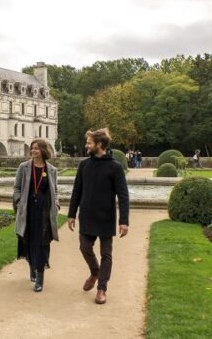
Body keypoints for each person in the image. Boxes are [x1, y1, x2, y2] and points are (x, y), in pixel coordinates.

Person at [67, 128, 130, 304]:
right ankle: (95, 272)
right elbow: (76, 191)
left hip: (106, 216)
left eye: (89, 143)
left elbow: (123, 195)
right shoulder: (84, 165)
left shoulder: (115, 167)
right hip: (86, 215)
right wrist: (72, 214)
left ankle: (102, 288)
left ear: (99, 145)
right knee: (84, 247)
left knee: (106, 254)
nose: (86, 145)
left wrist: (124, 221)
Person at [13, 138, 60, 292]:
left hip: (44, 211)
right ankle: (32, 266)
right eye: (32, 148)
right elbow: (17, 188)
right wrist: (19, 202)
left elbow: (55, 191)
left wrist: (57, 204)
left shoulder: (51, 169)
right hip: (28, 210)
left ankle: (40, 276)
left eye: (36, 148)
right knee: (28, 240)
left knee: (43, 242)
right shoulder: (24, 167)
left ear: (43, 151)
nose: (33, 151)